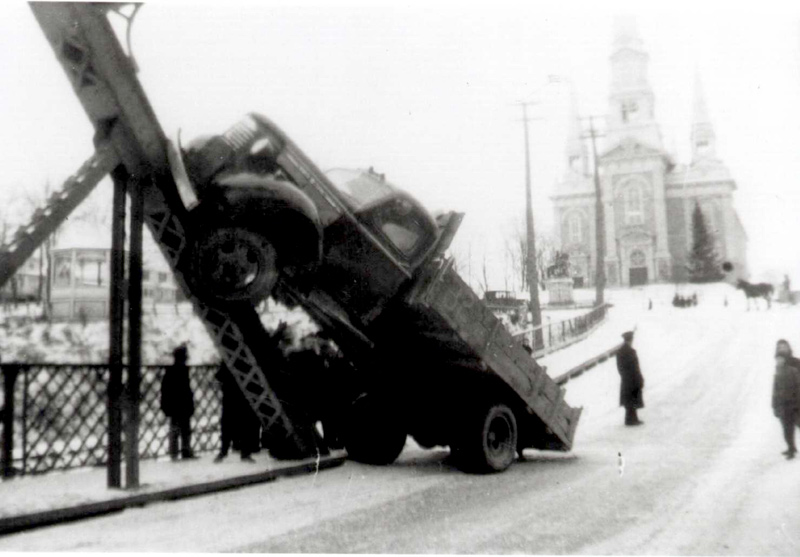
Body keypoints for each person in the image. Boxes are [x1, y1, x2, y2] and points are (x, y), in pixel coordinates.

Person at [214, 364, 260, 463]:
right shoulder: (245, 361)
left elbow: (218, 378)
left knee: (227, 426)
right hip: (243, 398)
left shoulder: (227, 362)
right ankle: (245, 453)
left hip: (229, 397)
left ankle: (223, 451)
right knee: (244, 426)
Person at [160, 344, 196, 460]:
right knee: (184, 428)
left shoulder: (170, 371)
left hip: (175, 404)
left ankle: (174, 452)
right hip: (182, 404)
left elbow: (165, 390)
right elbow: (186, 390)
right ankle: (184, 451)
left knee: (176, 428)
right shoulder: (183, 371)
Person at [772, 349, 800, 459]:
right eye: (777, 359)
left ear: (785, 360)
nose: (779, 361)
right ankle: (791, 449)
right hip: (784, 406)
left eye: (781, 359)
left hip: (794, 404)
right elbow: (775, 391)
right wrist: (774, 405)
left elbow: (798, 387)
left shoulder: (793, 371)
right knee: (786, 429)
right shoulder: (777, 373)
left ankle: (791, 448)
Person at [616, 331, 644, 426]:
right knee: (633, 399)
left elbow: (619, 368)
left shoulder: (619, 352)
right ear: (630, 340)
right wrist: (639, 378)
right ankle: (631, 420)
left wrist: (624, 376)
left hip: (625, 379)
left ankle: (631, 419)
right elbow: (636, 367)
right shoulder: (631, 352)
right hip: (633, 379)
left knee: (628, 400)